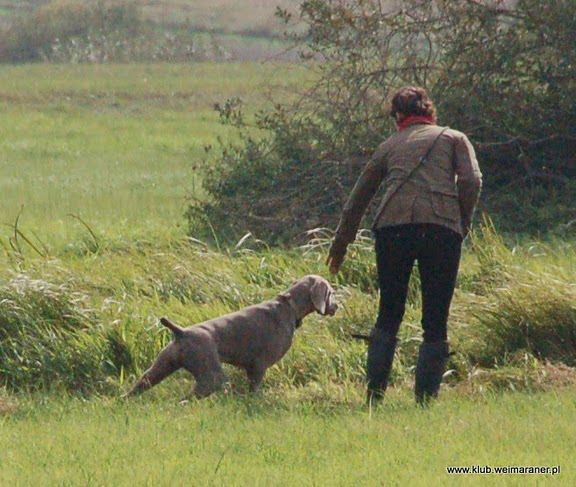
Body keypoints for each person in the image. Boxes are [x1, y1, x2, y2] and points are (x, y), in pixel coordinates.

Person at [327, 86, 482, 405]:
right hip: (441, 231)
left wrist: (341, 244)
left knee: (389, 313)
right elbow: (471, 180)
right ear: (430, 110)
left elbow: (359, 198)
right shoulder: (454, 138)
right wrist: (461, 221)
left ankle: (374, 398)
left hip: (392, 229)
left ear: (398, 116)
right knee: (436, 318)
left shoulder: (388, 145)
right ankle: (425, 402)